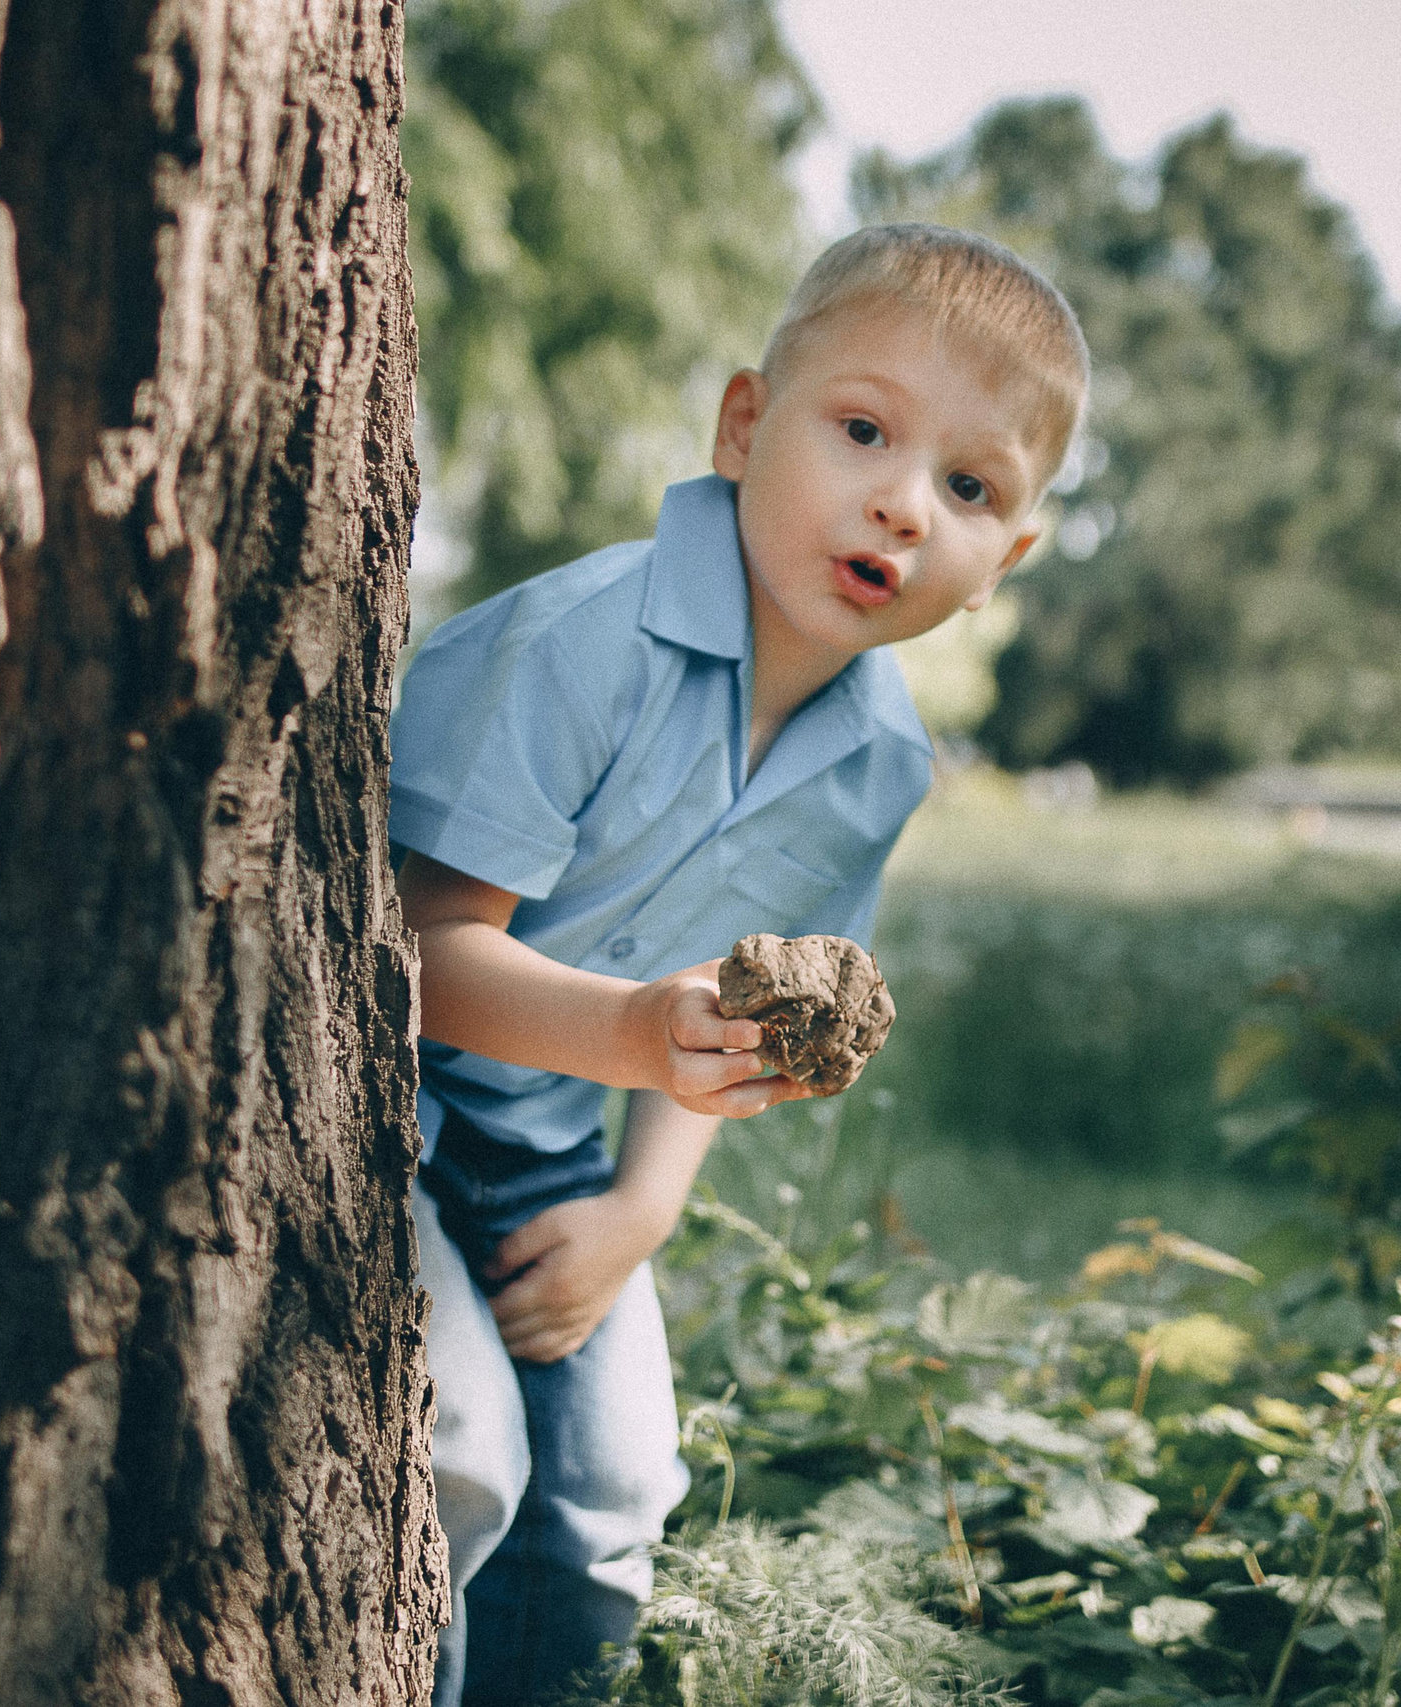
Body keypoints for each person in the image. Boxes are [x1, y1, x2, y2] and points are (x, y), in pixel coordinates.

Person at [388, 222, 1089, 1706]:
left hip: (542, 1144)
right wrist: (640, 1033)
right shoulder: (586, 643)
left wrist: (638, 1211)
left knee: (617, 1496)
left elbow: (754, 1007)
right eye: (862, 431)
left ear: (1006, 559)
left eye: (970, 489)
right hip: (358, 1112)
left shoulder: (881, 763)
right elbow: (407, 958)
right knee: (456, 1453)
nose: (903, 503)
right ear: (745, 424)